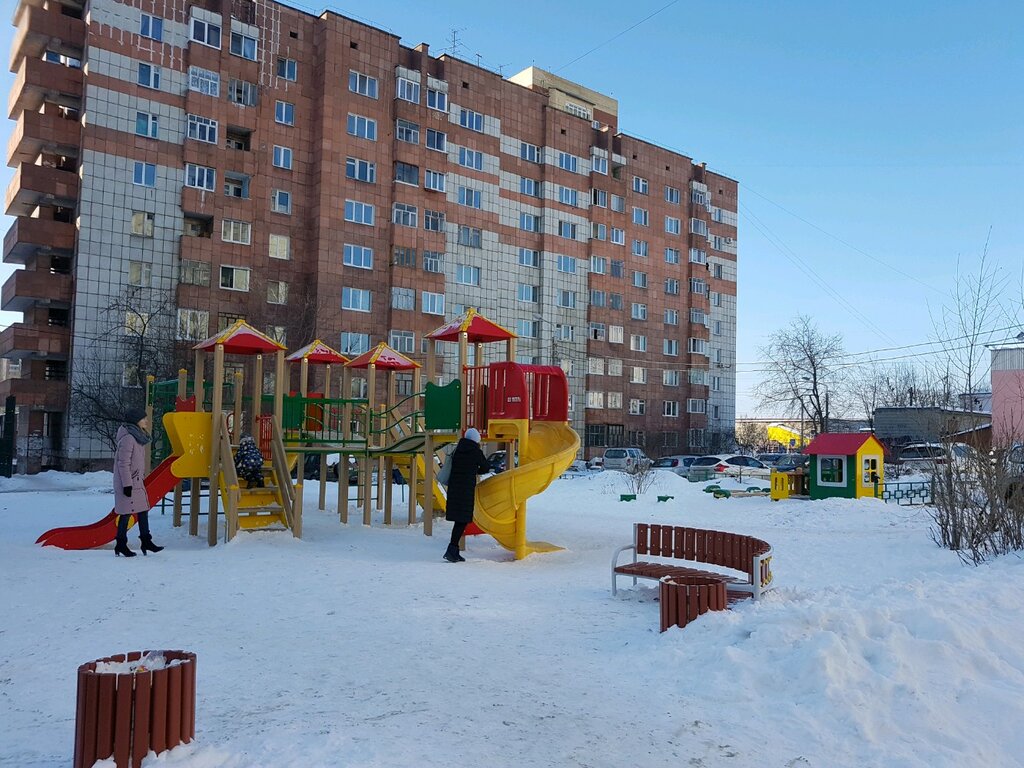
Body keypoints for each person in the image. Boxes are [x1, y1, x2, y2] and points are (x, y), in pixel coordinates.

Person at [113, 407, 163, 557]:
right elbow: (123, 463)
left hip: (137, 482)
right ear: (136, 421)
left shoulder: (137, 436)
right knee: (126, 513)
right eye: (143, 418)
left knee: (142, 511)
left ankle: (146, 541)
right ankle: (121, 544)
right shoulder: (128, 438)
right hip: (128, 482)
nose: (146, 421)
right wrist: (127, 485)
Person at [443, 427, 490, 563]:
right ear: (476, 440)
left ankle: (453, 550)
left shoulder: (458, 449)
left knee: (460, 521)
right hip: (465, 489)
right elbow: (486, 467)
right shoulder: (475, 451)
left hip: (454, 488)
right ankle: (452, 550)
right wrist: (476, 470)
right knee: (462, 521)